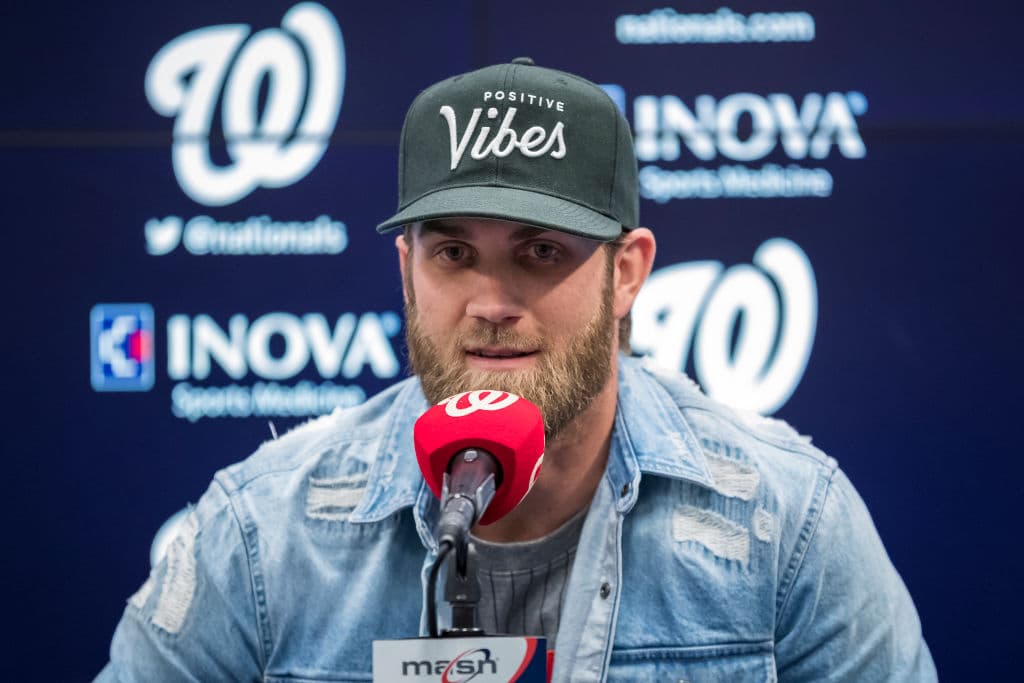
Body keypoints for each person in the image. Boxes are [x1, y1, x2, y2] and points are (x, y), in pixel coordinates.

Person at [97, 58, 936, 682]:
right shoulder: (263, 535)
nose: (492, 301)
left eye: (541, 252)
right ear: (405, 271)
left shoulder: (788, 523)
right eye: (455, 252)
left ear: (629, 273)